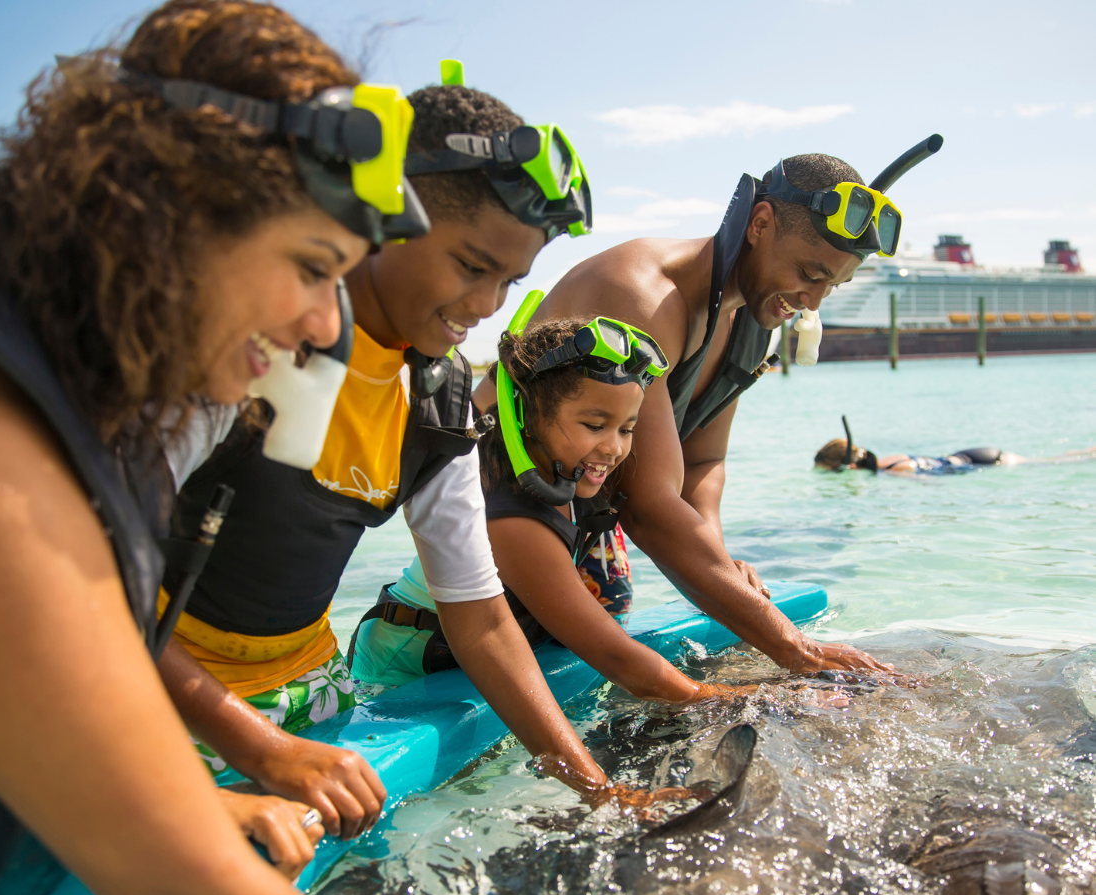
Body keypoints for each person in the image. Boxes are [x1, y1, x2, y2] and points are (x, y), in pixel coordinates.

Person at [0, 0, 422, 895]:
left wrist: (195, 802)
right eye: (312, 266)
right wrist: (190, 842)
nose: (326, 327)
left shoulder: (87, 400)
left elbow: (67, 687)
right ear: (165, 210)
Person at [154, 64, 663, 824]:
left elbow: (482, 620)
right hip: (158, 688)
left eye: (509, 280)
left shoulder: (437, 402)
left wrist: (601, 791)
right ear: (376, 209)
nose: (485, 307)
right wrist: (258, 750)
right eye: (469, 265)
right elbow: (88, 595)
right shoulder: (242, 343)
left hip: (312, 689)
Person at [472, 144, 942, 677]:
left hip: (589, 540)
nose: (814, 302)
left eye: (834, 285)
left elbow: (701, 461)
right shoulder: (643, 296)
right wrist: (792, 647)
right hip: (505, 527)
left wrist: (719, 563)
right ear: (760, 222)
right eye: (810, 273)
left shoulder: (750, 323)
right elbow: (645, 502)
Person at [350, 298, 763, 703]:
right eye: (594, 424)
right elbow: (616, 658)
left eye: (626, 428)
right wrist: (739, 698)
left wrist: (726, 571)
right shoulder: (511, 520)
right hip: (402, 665)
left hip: (459, 658)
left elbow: (671, 532)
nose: (614, 448)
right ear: (529, 414)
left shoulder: (575, 473)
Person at [814, 416, 1026, 474]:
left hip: (982, 461)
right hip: (969, 457)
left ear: (849, 467)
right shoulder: (886, 464)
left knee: (1053, 461)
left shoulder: (896, 469)